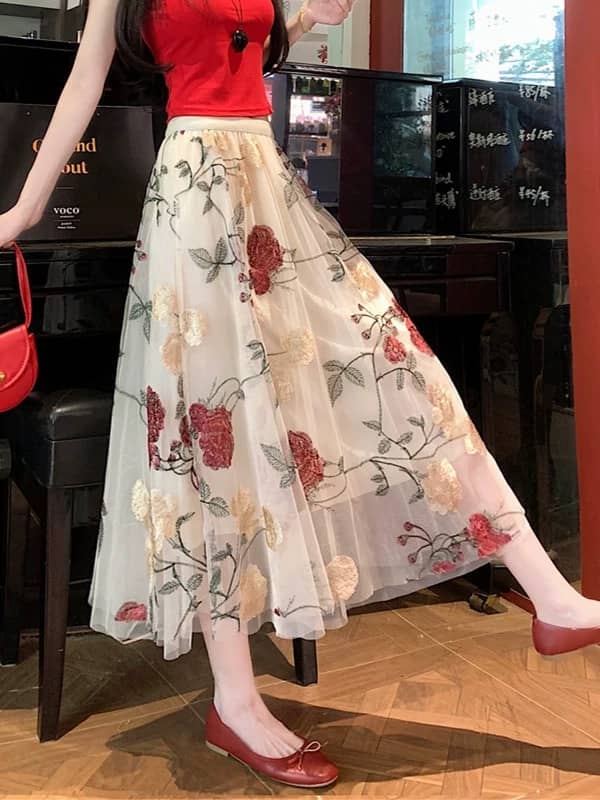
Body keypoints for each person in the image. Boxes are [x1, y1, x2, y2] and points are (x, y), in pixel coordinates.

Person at [1, 0, 599, 788]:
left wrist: (311, 14)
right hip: (193, 194)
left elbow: (280, 29)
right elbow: (85, 82)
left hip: (267, 182)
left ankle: (551, 597)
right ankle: (235, 700)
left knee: (401, 368)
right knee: (213, 438)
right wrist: (23, 211)